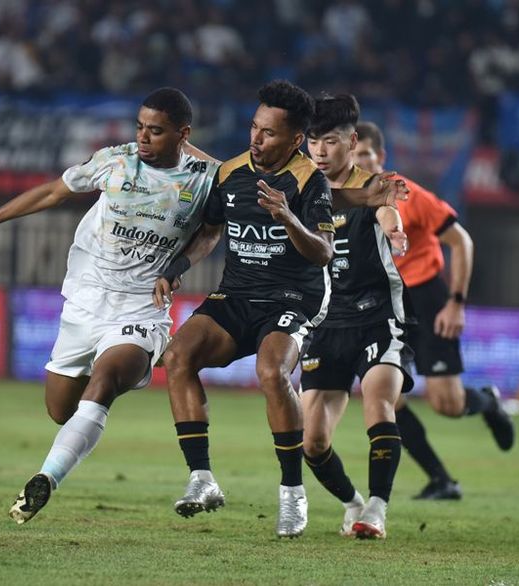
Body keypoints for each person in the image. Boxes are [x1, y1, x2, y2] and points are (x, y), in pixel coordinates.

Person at [0, 88, 223, 524]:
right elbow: (53, 193)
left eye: (156, 131)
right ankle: (80, 425)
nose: (143, 137)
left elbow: (212, 232)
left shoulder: (207, 177)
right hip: (86, 302)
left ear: (183, 134)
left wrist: (177, 266)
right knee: (61, 411)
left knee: (104, 382)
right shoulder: (114, 161)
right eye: (140, 127)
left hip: (141, 308)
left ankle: (45, 478)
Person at [161, 80, 407, 538]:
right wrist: (176, 268)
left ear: (294, 140)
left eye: (269, 132)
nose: (256, 138)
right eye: (254, 127)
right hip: (237, 294)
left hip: (294, 297)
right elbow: (211, 230)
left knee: (271, 371)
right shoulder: (231, 172)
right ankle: (202, 477)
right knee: (177, 356)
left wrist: (288, 218)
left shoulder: (310, 181)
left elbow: (323, 252)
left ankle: (293, 493)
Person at [354, 121, 514, 500]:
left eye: (365, 154)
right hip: (383, 305)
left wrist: (456, 302)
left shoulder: (409, 195)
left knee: (447, 404)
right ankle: (442, 480)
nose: (359, 162)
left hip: (426, 298)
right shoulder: (346, 200)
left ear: (381, 156)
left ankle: (488, 401)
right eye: (353, 155)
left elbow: (462, 242)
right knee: (386, 398)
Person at [301, 94, 411, 539]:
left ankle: (378, 509)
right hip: (326, 322)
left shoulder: (374, 186)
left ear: (350, 142)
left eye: (329, 141)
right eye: (312, 142)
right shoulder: (302, 186)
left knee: (378, 400)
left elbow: (386, 210)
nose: (320, 151)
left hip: (376, 316)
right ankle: (353, 503)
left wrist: (395, 231)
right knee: (312, 441)